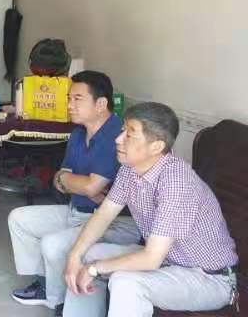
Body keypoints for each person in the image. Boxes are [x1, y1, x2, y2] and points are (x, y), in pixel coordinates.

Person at [61, 102, 238, 317]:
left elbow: (150, 258)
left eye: (130, 134)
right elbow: (104, 215)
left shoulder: (176, 181)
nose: (118, 139)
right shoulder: (131, 168)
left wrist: (95, 269)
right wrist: (75, 255)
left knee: (126, 283)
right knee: (87, 254)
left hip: (209, 278)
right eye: (122, 130)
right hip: (168, 262)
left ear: (156, 146)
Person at [8, 71, 141, 315]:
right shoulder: (78, 132)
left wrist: (74, 182)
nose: (69, 105)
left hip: (110, 221)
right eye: (69, 98)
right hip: (77, 209)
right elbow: (61, 179)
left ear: (101, 104)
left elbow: (91, 188)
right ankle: (45, 283)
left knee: (52, 244)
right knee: (19, 218)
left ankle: (59, 301)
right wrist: (74, 182)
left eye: (77, 99)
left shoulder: (114, 136)